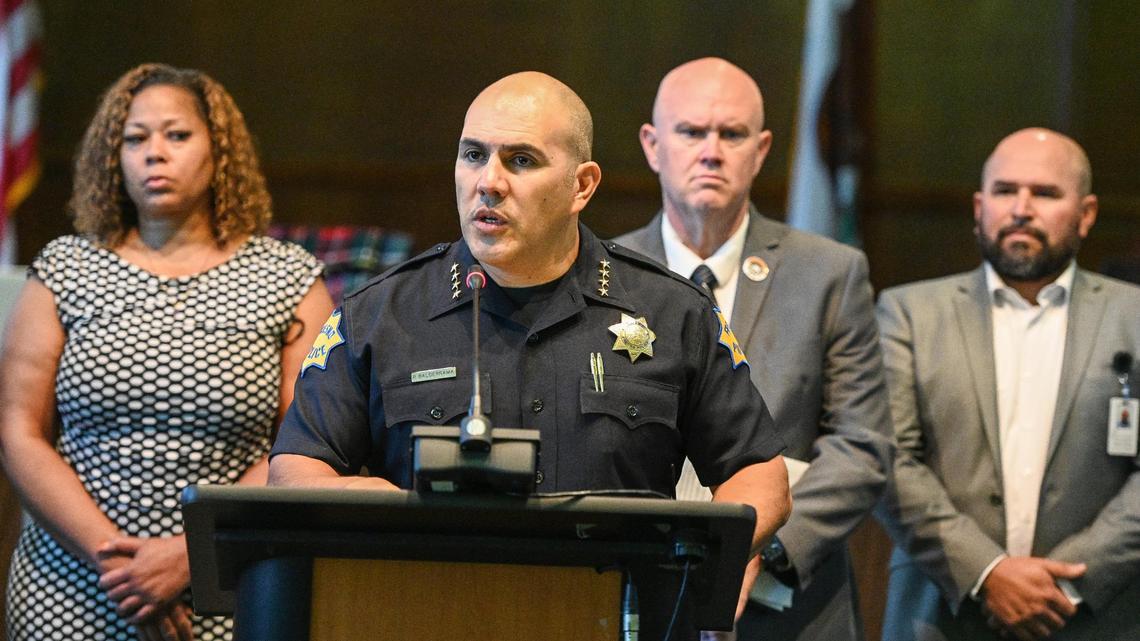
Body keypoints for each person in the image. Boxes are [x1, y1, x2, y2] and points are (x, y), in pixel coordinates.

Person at [268, 71, 791, 639]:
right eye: (473, 155)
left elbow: (759, 474)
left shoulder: (672, 312)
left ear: (581, 186)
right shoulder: (379, 314)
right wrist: (365, 502)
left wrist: (700, 559)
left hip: (619, 619)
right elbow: (295, 468)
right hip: (423, 614)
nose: (488, 182)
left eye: (520, 160)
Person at [0, 63, 333, 641]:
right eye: (135, 138)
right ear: (114, 157)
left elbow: (303, 441)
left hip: (229, 577)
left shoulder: (289, 278)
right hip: (73, 582)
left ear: (219, 150)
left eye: (177, 135)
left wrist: (188, 556)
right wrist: (121, 567)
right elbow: (18, 431)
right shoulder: (65, 268)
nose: (155, 152)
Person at [615, 57, 893, 640]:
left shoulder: (830, 274)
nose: (711, 151)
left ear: (762, 149)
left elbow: (863, 448)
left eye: (732, 134)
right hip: (632, 593)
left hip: (788, 607)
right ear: (652, 144)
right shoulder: (603, 275)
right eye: (691, 132)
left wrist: (759, 549)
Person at [876, 128, 1140, 641]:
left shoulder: (1134, 315)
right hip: (940, 614)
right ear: (979, 207)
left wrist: (1063, 583)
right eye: (1004, 191)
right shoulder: (907, 313)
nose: (1021, 208)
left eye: (1045, 193)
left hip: (1096, 617)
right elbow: (886, 458)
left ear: (1086, 214)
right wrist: (987, 572)